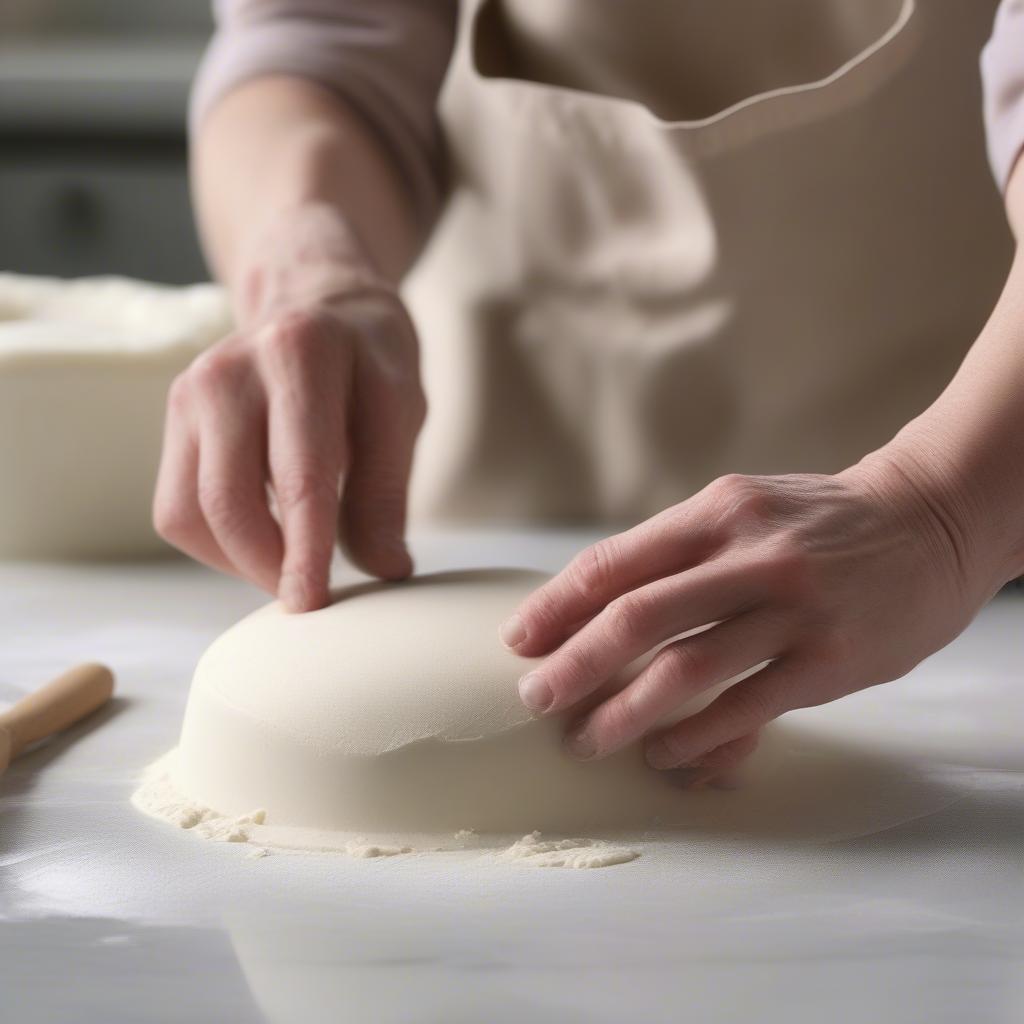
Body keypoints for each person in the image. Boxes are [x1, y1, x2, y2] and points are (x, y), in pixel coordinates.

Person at [155, 0, 1024, 783]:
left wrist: (946, 512)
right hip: (483, 500)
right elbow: (318, 43)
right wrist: (313, 267)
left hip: (987, 513)